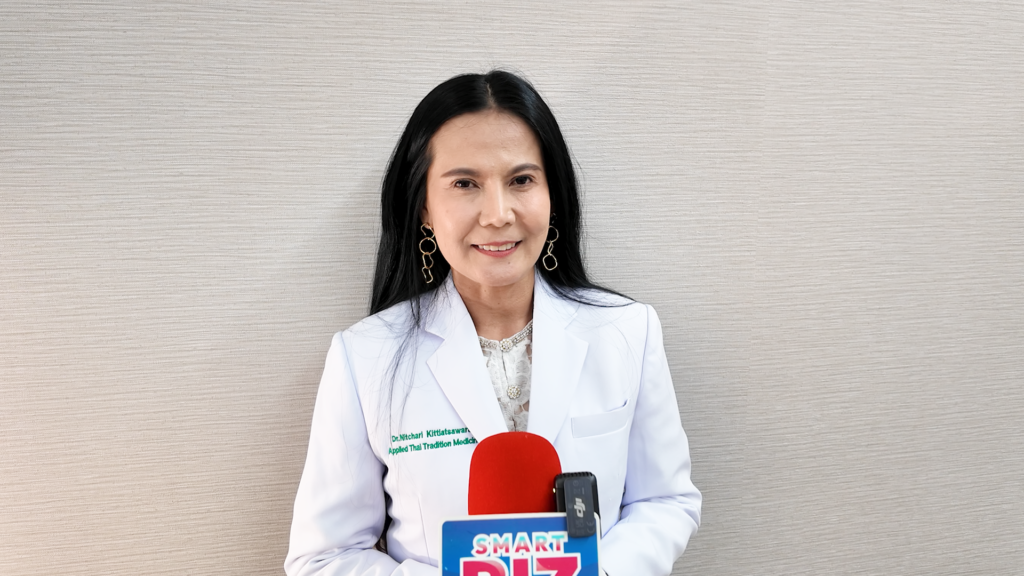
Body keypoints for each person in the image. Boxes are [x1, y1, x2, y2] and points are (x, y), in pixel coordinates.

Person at [285, 70, 701, 576]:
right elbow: (325, 556)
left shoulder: (628, 331)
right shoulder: (364, 357)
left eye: (521, 180)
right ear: (423, 207)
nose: (498, 214)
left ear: (552, 194)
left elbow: (665, 500)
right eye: (465, 184)